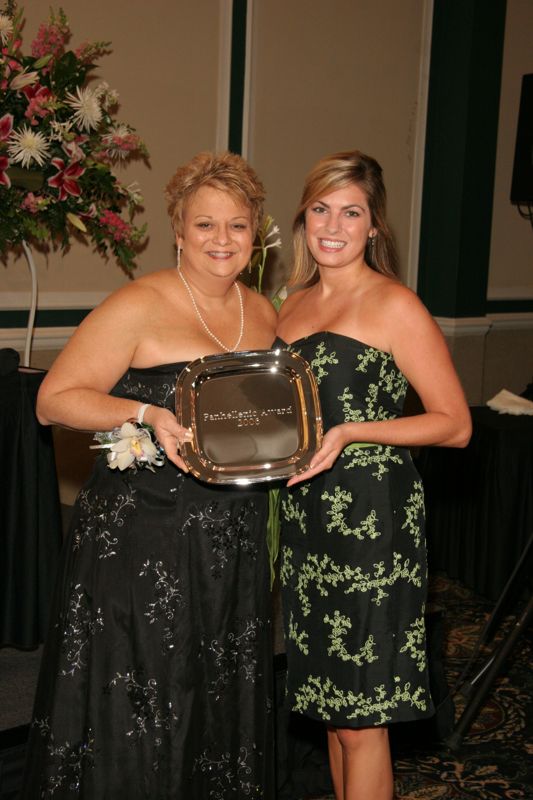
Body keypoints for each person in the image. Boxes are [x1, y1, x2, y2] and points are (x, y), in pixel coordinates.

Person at [22, 151, 278, 798]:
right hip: (145, 536)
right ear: (178, 230)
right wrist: (145, 412)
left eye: (237, 226)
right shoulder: (139, 302)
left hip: (231, 534)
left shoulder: (265, 311)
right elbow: (54, 400)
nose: (222, 240)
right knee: (149, 690)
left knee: (212, 688)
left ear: (256, 232)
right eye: (205, 225)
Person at [276, 150, 472, 800]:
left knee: (362, 721)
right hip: (305, 523)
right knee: (335, 713)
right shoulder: (288, 306)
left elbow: (453, 423)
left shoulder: (393, 304)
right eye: (320, 208)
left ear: (373, 226)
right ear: (303, 218)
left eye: (350, 211)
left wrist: (353, 430)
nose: (333, 224)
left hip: (370, 523)